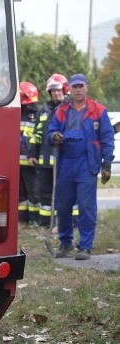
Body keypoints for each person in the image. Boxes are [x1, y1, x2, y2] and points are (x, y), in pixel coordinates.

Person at [47, 74, 115, 260]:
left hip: (87, 163)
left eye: (80, 86)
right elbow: (51, 131)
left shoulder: (98, 111)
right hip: (66, 163)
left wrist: (106, 164)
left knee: (86, 206)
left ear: (87, 88)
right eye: (74, 87)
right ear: (69, 88)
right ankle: (65, 243)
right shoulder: (62, 111)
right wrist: (54, 137)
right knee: (63, 205)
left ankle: (85, 246)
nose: (77, 90)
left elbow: (107, 138)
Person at [28, 74, 69, 228]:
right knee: (44, 193)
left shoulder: (69, 109)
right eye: (53, 91)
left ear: (65, 90)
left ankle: (62, 223)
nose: (56, 94)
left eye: (58, 90)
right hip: (45, 161)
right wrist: (32, 154)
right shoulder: (43, 111)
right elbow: (37, 135)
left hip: (62, 161)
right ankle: (45, 223)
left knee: (62, 193)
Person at [18, 82, 40, 225]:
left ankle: (34, 219)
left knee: (34, 193)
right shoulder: (17, 114)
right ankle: (22, 218)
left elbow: (37, 138)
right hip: (18, 162)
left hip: (30, 161)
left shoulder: (37, 114)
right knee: (21, 193)